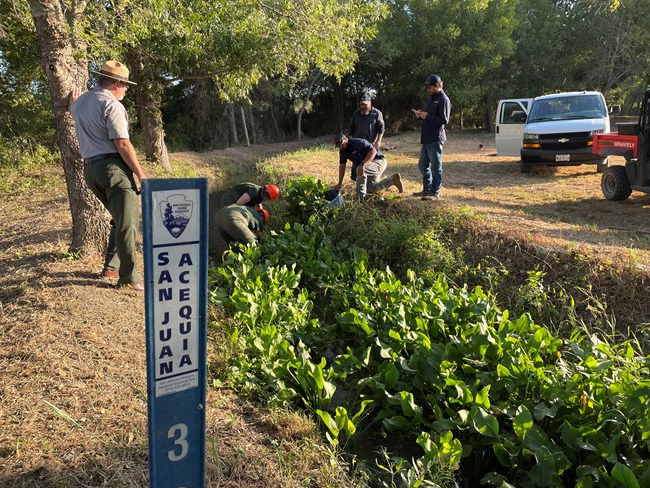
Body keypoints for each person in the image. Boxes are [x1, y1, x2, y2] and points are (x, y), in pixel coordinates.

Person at [69, 60, 146, 291]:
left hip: (90, 170)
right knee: (128, 224)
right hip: (113, 169)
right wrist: (142, 176)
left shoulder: (80, 102)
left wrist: (74, 101)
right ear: (116, 82)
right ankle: (129, 278)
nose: (126, 89)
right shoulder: (112, 105)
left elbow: (72, 108)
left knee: (119, 219)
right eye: (125, 85)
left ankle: (110, 268)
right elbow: (122, 143)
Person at [413, 74, 451, 200]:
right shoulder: (432, 98)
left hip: (436, 138)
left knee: (436, 166)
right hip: (427, 138)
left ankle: (435, 192)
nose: (427, 90)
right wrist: (420, 115)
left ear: (437, 86)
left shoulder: (443, 100)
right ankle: (427, 189)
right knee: (423, 164)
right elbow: (428, 115)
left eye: (429, 87)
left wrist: (426, 116)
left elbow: (444, 120)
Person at [333, 133, 403, 201]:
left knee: (360, 169)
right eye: (339, 146)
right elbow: (342, 167)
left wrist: (363, 164)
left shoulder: (357, 143)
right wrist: (340, 183)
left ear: (345, 139)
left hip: (378, 161)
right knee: (371, 189)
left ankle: (360, 198)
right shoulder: (343, 151)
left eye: (342, 145)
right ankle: (393, 180)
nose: (341, 147)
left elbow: (373, 152)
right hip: (368, 166)